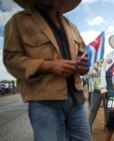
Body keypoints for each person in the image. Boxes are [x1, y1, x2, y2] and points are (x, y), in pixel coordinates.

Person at [3, 0, 92, 141]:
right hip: (45, 103)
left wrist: (83, 66)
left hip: (77, 100)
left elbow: (84, 57)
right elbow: (10, 59)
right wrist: (49, 65)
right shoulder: (18, 22)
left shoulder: (71, 27)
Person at [88, 60, 108, 132]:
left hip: (106, 90)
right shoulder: (93, 63)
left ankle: (106, 126)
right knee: (93, 108)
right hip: (96, 90)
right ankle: (88, 127)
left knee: (107, 109)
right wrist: (95, 70)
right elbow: (89, 74)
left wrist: (98, 70)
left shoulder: (108, 63)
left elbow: (107, 73)